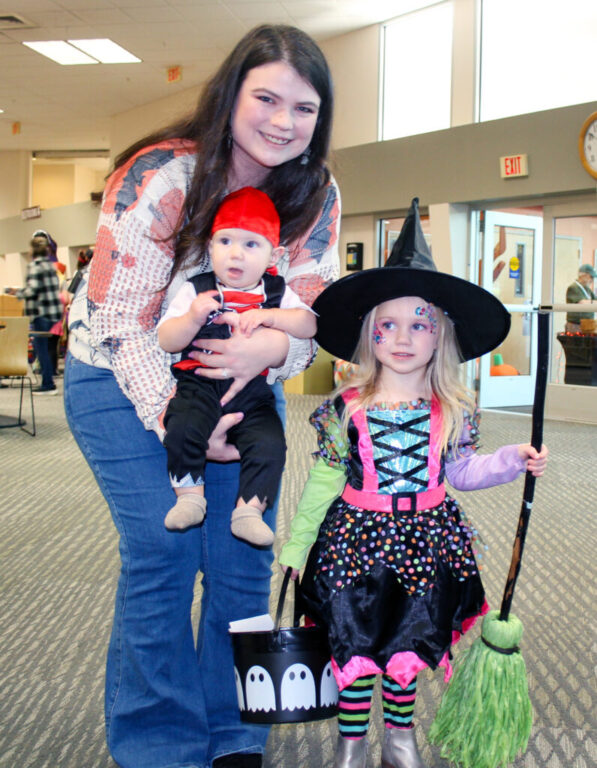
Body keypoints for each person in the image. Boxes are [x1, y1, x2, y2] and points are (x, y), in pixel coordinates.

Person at [64, 23, 339, 768]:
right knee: (163, 547)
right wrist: (178, 421)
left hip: (239, 382)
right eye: (267, 99)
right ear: (230, 95)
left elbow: (312, 313)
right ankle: (159, 741)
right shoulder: (161, 175)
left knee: (243, 553)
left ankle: (234, 733)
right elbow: (120, 321)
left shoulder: (314, 192)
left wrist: (273, 349)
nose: (283, 122)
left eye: (304, 108)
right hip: (119, 375)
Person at [278, 199, 548, 768]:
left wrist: (511, 461)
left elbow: (463, 472)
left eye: (419, 325)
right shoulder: (347, 407)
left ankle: (399, 736)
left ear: (440, 336)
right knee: (354, 644)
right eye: (388, 325)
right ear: (369, 335)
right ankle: (353, 741)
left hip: (427, 542)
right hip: (354, 543)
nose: (403, 338)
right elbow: (324, 480)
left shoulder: (453, 408)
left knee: (407, 644)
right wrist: (299, 546)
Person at [158, 186, 316, 543]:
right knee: (181, 427)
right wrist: (192, 318)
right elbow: (167, 339)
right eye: (225, 241)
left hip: (253, 394)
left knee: (270, 442)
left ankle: (249, 510)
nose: (236, 253)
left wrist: (272, 317)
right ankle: (189, 496)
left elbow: (309, 325)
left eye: (251, 244)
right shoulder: (196, 289)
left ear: (274, 254)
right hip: (199, 385)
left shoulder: (276, 292)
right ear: (209, 247)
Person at [5, 232, 62, 394]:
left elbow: (32, 290)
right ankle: (48, 380)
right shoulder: (50, 266)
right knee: (45, 348)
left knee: (40, 349)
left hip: (40, 313)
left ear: (33, 249)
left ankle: (47, 384)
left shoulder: (35, 266)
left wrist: (15, 292)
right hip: (52, 313)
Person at [565, 263, 597, 332]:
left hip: (587, 324)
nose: (592, 280)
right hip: (575, 325)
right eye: (591, 277)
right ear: (583, 275)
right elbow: (582, 303)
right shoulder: (573, 288)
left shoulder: (587, 289)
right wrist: (592, 302)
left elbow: (595, 300)